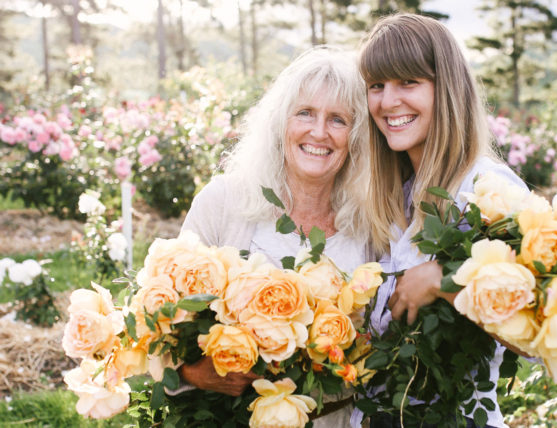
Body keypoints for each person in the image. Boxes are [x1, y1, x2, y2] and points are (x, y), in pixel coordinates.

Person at [178, 46, 374, 427]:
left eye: (338, 119)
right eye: (305, 113)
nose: (319, 132)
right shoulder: (223, 202)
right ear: (279, 122)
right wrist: (192, 373)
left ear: (357, 136)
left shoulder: (370, 223)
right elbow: (160, 326)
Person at [358, 13, 529, 428]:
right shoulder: (394, 194)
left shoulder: (488, 189)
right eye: (377, 86)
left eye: (408, 82)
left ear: (447, 88)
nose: (387, 101)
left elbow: (536, 334)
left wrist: (445, 280)